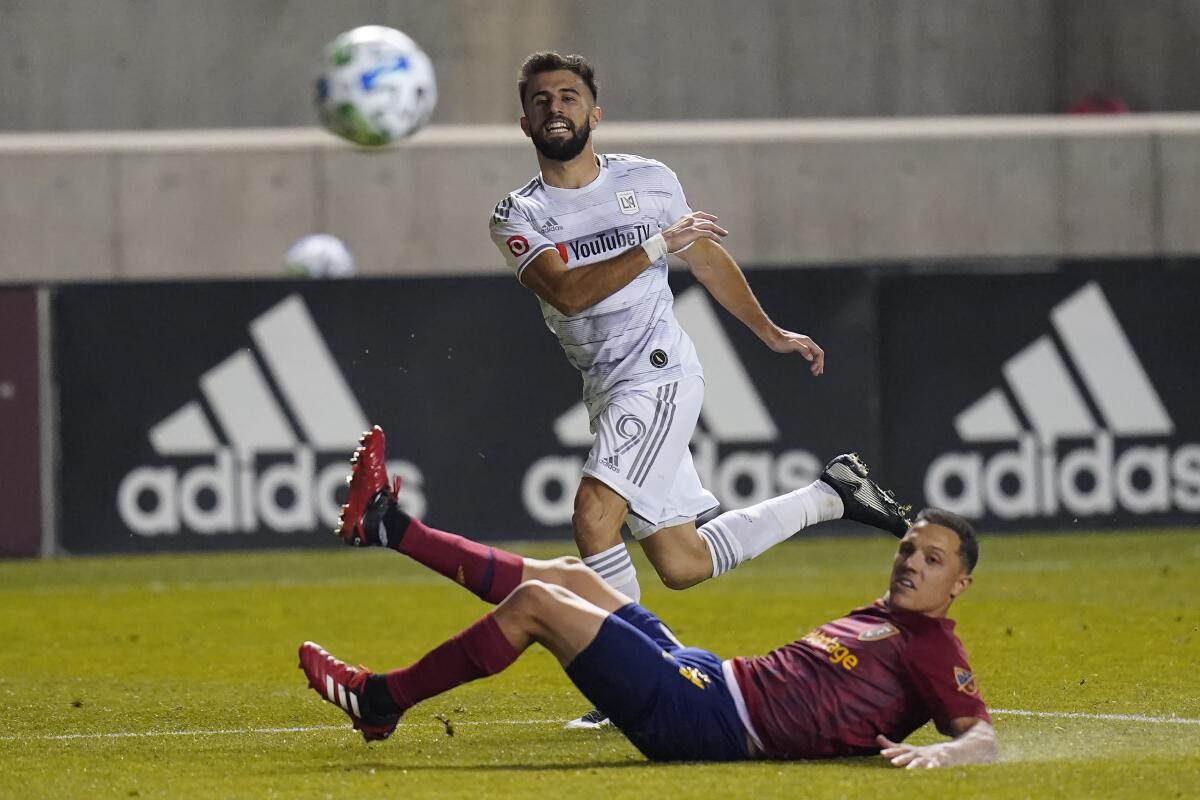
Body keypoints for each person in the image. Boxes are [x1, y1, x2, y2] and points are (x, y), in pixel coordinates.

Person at [303, 428, 998, 767]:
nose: (912, 563)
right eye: (910, 548)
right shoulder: (887, 618)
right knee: (569, 578)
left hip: (709, 723)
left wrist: (942, 755)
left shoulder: (933, 648)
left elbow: (982, 741)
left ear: (958, 585)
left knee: (535, 609)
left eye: (932, 561)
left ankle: (379, 701)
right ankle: (391, 526)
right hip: (707, 676)